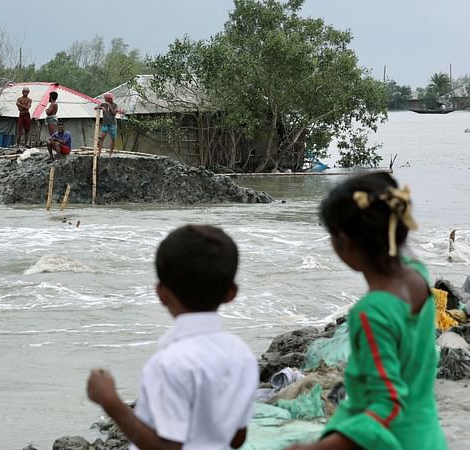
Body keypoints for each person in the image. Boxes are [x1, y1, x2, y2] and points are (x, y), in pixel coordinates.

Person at [286, 173, 447, 450]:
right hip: (426, 433)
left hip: (392, 441)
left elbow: (387, 405)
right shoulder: (417, 274)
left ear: (344, 242)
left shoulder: (371, 313)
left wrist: (314, 448)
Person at [87, 225, 259, 450]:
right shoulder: (242, 355)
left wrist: (111, 402)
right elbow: (237, 438)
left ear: (161, 293)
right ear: (231, 293)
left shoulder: (169, 363)